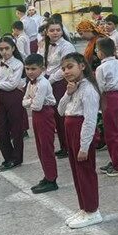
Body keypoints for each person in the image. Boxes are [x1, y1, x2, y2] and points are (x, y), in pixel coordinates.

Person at [58, 52, 102, 229]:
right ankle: (84, 207)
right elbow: (61, 111)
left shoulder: (89, 89)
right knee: (76, 171)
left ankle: (93, 210)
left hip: (81, 131)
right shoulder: (73, 87)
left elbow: (90, 120)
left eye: (70, 67)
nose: (66, 71)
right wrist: (68, 93)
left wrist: (84, 146)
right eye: (63, 69)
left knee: (85, 171)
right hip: (70, 130)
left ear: (82, 66)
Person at [22, 53, 59, 194]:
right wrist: (30, 101)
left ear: (42, 69)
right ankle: (47, 175)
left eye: (33, 69)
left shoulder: (43, 83)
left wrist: (29, 101)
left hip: (45, 114)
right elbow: (23, 101)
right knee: (40, 147)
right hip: (37, 116)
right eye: (27, 69)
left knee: (46, 147)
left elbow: (36, 105)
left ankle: (52, 179)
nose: (30, 72)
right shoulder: (31, 82)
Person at [0, 36, 28, 171]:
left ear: (13, 48)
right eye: (1, 49)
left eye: (7, 48)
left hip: (14, 97)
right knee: (0, 131)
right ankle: (8, 157)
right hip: (0, 97)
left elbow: (12, 85)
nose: (4, 51)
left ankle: (17, 158)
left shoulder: (18, 64)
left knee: (16, 130)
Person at [95, 37, 118, 178]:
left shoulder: (101, 68)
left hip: (108, 98)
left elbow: (100, 87)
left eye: (97, 50)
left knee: (111, 133)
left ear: (101, 53)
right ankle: (116, 159)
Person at [43, 21, 77, 159]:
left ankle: (69, 146)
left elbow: (65, 68)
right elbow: (47, 64)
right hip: (49, 79)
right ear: (47, 32)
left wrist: (50, 80)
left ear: (62, 31)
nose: (55, 32)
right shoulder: (47, 45)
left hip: (61, 81)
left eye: (58, 30)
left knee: (62, 114)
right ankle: (64, 145)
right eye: (52, 30)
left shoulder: (67, 46)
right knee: (57, 116)